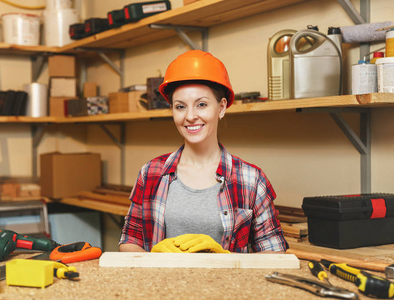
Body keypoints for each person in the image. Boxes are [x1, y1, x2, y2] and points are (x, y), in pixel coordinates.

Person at [119, 50, 288, 253]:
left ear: (222, 107)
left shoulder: (251, 179)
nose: (190, 116)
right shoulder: (151, 173)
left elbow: (274, 253)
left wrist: (226, 258)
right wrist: (151, 257)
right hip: (160, 284)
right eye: (180, 106)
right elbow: (130, 239)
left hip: (229, 285)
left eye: (201, 104)